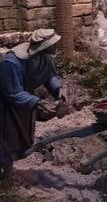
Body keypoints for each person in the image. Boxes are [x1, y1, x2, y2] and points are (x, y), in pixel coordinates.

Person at [1, 29, 65, 178]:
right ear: (44, 46)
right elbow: (13, 92)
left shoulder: (45, 57)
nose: (56, 46)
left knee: (20, 137)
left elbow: (50, 76)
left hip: (24, 102)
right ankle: (5, 175)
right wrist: (36, 102)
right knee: (5, 139)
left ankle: (8, 173)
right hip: (5, 105)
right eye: (53, 43)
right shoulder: (11, 62)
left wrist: (58, 89)